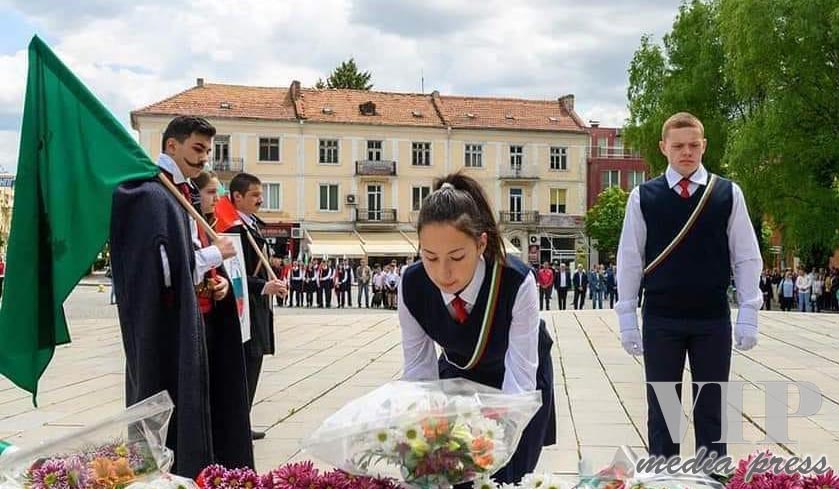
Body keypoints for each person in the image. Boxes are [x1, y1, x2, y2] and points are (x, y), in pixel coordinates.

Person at [616, 112, 762, 463]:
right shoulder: (643, 197)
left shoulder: (727, 193)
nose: (687, 152)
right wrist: (626, 317)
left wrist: (749, 312)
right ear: (663, 147)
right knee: (663, 412)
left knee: (711, 409)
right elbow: (630, 259)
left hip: (711, 318)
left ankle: (712, 479)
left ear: (704, 146)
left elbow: (746, 255)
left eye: (694, 145)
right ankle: (663, 480)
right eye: (678, 145)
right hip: (661, 318)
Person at [398, 173, 555, 485]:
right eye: (430, 257)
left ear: (481, 243)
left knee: (505, 477)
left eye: (457, 257)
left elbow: (520, 375)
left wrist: (495, 440)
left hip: (515, 380)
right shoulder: (412, 283)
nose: (443, 272)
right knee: (447, 472)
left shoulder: (515, 281)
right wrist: (425, 433)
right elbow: (419, 369)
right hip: (459, 376)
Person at [110, 116, 236, 477]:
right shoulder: (153, 194)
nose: (204, 160)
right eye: (197, 149)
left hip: (188, 319)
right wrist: (216, 255)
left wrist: (216, 281)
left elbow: (184, 258)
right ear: (171, 146)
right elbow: (163, 272)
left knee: (187, 409)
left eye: (208, 152)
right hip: (164, 329)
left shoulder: (180, 192)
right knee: (163, 410)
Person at [191, 170, 254, 468]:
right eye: (210, 193)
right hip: (191, 322)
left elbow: (222, 271)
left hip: (213, 318)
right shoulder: (187, 221)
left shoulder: (210, 225)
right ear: (194, 194)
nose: (217, 199)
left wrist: (224, 285)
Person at [227, 172, 288, 441]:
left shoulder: (252, 225)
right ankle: (235, 423)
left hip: (259, 307)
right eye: (254, 194)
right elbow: (234, 272)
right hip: (244, 307)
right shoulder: (233, 228)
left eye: (260, 194)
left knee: (254, 364)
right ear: (237, 197)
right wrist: (264, 286)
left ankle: (242, 420)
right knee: (244, 367)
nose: (260, 199)